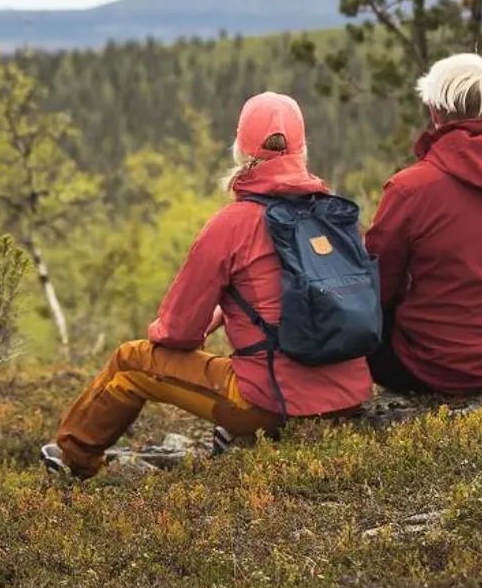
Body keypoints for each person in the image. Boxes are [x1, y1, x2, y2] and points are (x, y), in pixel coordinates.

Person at [42, 92, 372, 478]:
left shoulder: (231, 225)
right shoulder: (337, 216)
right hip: (350, 396)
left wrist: (172, 334)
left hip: (269, 404)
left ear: (240, 148)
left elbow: (178, 331)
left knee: (130, 362)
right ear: (302, 147)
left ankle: (72, 459)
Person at [363, 53, 482, 394]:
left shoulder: (410, 189)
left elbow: (378, 287)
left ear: (433, 110)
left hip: (438, 366)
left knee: (360, 314)